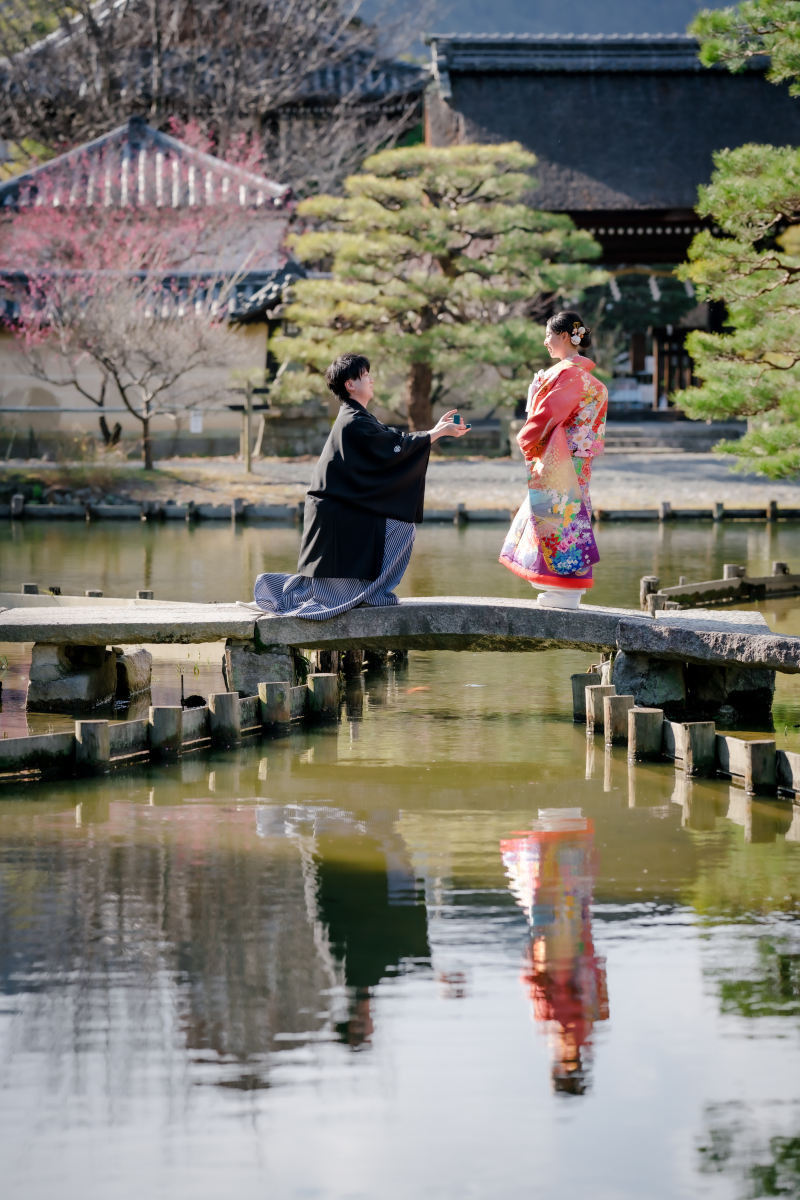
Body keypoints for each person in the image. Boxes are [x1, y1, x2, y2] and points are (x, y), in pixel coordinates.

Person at [254, 352, 469, 617]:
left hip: (343, 507)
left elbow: (396, 441)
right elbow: (395, 448)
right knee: (401, 526)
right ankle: (371, 593)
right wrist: (436, 433)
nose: (372, 379)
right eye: (365, 375)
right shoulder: (353, 420)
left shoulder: (358, 417)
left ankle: (369, 592)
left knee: (400, 526)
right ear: (350, 384)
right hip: (338, 511)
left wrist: (434, 431)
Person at [499, 310, 607, 610]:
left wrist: (532, 404)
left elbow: (547, 416)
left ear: (563, 336)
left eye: (549, 335)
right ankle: (565, 590)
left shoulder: (567, 375)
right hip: (577, 460)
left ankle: (565, 591)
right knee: (565, 518)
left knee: (558, 518)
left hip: (561, 458)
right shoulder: (586, 378)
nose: (545, 341)